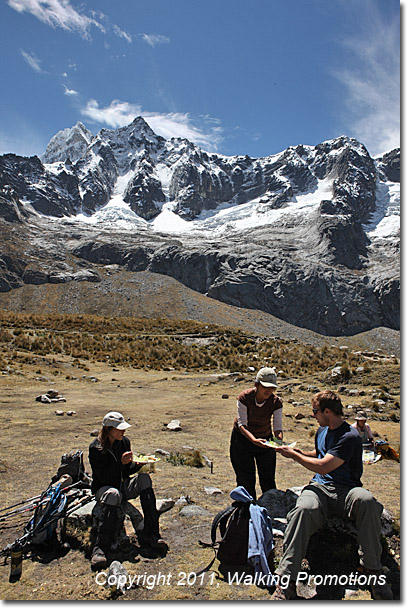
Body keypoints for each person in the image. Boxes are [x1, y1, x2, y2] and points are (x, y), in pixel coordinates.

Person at [272, 390, 392, 600]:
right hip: (320, 488)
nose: (313, 415)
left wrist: (293, 457)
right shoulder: (323, 430)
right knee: (303, 509)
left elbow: (324, 466)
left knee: (367, 501)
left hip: (346, 489)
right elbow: (320, 455)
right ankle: (287, 580)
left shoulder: (350, 436)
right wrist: (294, 451)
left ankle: (372, 569)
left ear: (327, 411)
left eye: (315, 411)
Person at [88, 411, 167, 570]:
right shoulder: (96, 448)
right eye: (119, 429)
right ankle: (100, 548)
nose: (123, 432)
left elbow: (125, 472)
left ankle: (152, 534)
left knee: (144, 478)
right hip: (104, 489)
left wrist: (136, 465)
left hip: (121, 485)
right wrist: (120, 463)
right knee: (113, 494)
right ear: (108, 428)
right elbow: (103, 477)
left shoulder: (124, 442)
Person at [229, 367, 283, 499]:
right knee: (245, 479)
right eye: (265, 387)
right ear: (257, 385)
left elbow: (277, 427)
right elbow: (242, 425)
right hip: (242, 441)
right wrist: (253, 440)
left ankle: (270, 509)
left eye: (272, 388)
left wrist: (278, 441)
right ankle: (247, 511)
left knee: (268, 479)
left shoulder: (276, 402)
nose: (269, 391)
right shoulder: (244, 398)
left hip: (265, 440)